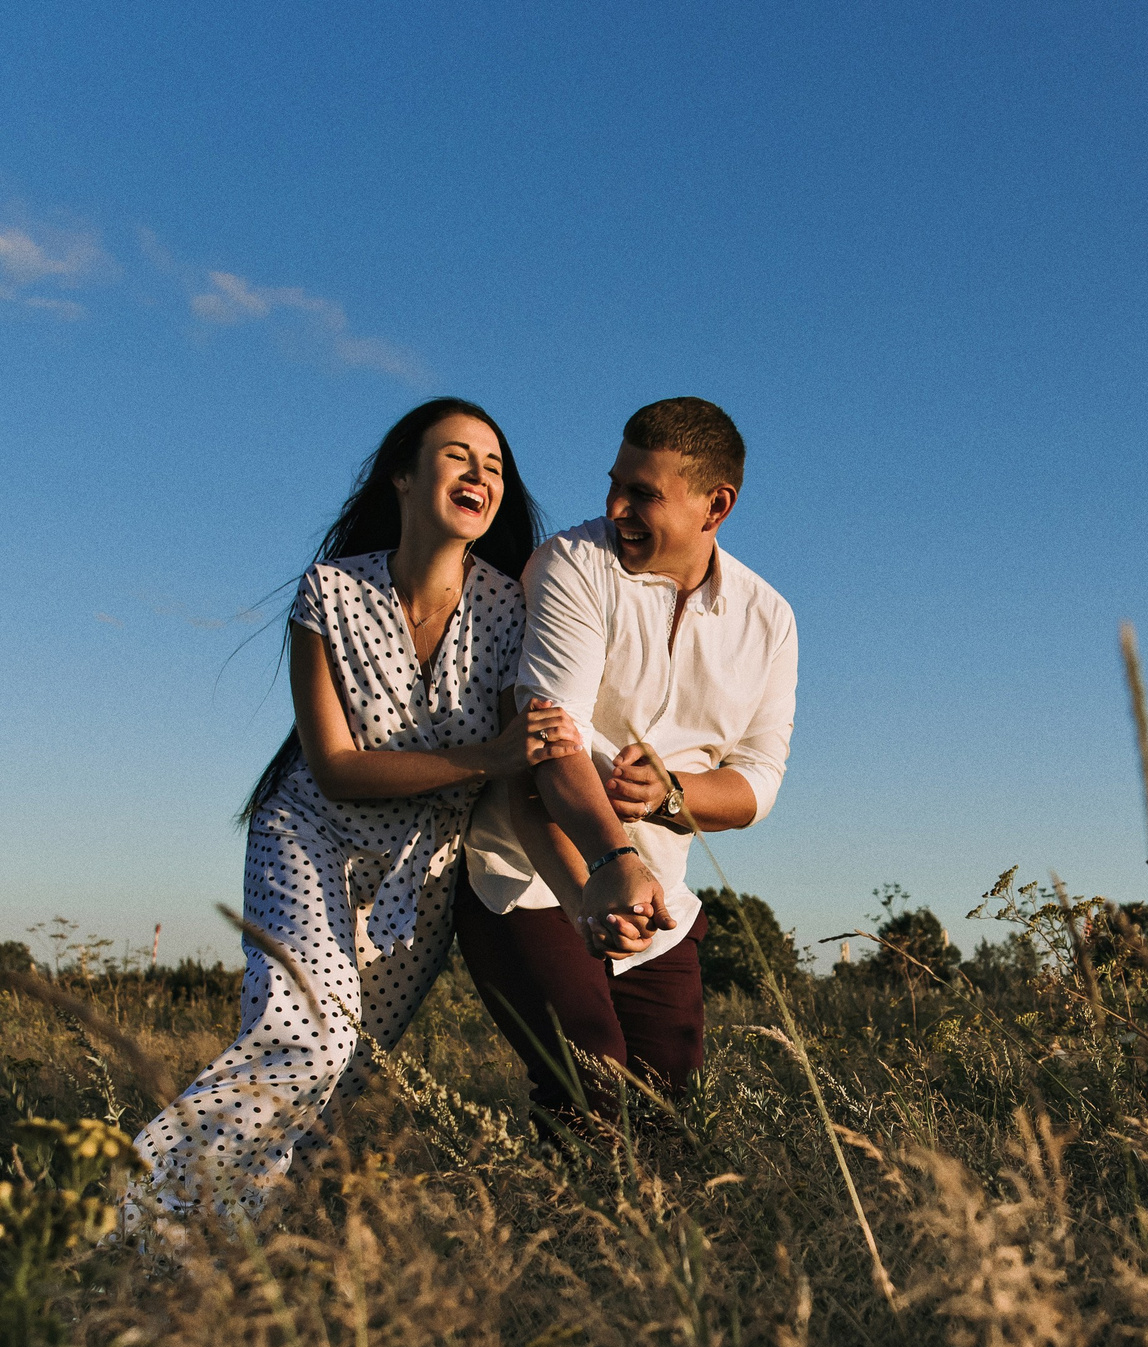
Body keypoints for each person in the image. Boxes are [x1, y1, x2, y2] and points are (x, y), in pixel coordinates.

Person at [132, 398, 581, 1217]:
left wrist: (585, 889)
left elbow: (520, 781)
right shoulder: (329, 594)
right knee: (304, 1039)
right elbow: (337, 769)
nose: (481, 474)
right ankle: (127, 1226)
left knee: (337, 1087)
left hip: (421, 877)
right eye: (458, 456)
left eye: (495, 465)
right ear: (402, 477)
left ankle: (240, 1257)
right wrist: (487, 756)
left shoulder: (509, 610)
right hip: (310, 839)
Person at [455, 397, 797, 1122]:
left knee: (672, 1116)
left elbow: (761, 781)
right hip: (528, 874)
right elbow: (552, 739)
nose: (615, 508)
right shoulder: (572, 565)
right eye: (614, 484)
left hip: (656, 904)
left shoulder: (770, 619)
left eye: (643, 494)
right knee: (592, 1092)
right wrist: (612, 859)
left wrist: (675, 795)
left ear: (716, 506)